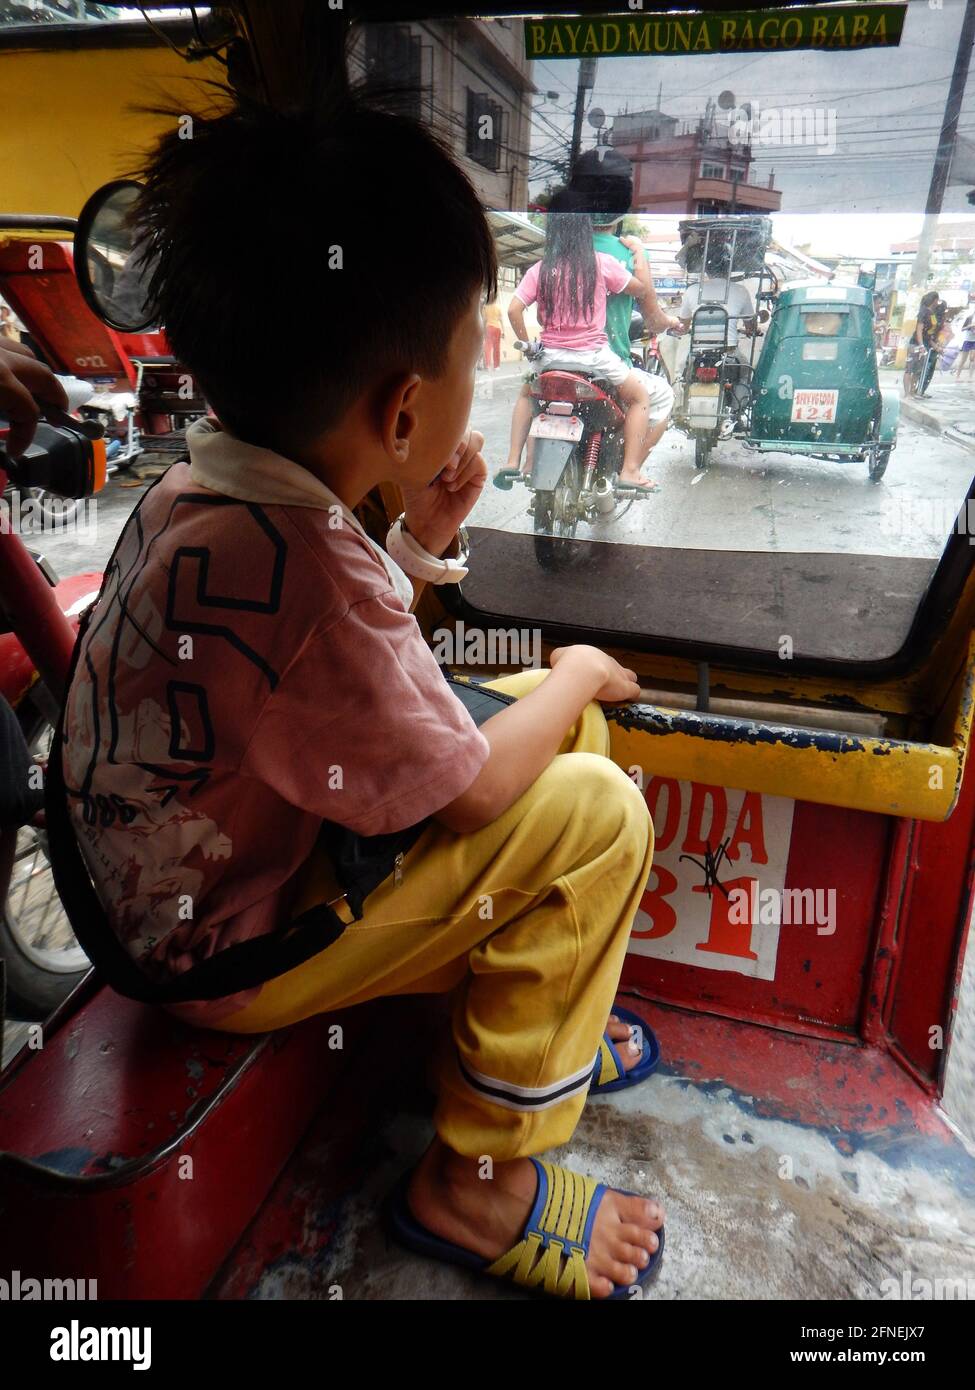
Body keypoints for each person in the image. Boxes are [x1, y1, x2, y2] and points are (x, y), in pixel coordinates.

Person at [56, 93, 664, 1301]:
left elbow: (310, 662)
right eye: (465, 354)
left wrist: (422, 540)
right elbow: (477, 779)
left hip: (153, 896)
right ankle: (477, 1184)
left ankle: (546, 1031)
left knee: (567, 736)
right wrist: (579, 665)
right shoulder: (322, 572)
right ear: (402, 412)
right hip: (228, 953)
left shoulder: (202, 492)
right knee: (596, 806)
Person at [503, 190, 679, 488]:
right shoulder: (601, 262)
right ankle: (629, 471)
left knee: (526, 395)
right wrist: (638, 253)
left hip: (549, 357)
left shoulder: (541, 267)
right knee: (640, 398)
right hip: (594, 357)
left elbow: (514, 309)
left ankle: (512, 461)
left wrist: (531, 347)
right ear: (586, 229)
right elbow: (640, 290)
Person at [591, 211, 675, 478]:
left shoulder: (561, 249)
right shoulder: (627, 254)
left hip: (555, 356)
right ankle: (630, 468)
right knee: (661, 397)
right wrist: (669, 321)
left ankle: (520, 462)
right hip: (609, 360)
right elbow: (652, 315)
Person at [905, 290, 945, 397]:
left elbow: (928, 335)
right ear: (934, 300)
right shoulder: (923, 311)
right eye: (937, 300)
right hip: (916, 344)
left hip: (925, 345)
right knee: (909, 369)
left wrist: (936, 347)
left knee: (918, 371)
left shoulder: (932, 314)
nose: (938, 303)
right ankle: (906, 393)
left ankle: (912, 391)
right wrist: (921, 345)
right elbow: (919, 330)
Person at [953, 305, 975, 381]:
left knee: (972, 358)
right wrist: (969, 326)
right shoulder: (969, 318)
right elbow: (962, 329)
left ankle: (970, 377)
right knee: (963, 360)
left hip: (974, 341)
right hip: (967, 340)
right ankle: (957, 376)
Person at [481, 296, 503, 370]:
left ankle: (487, 365)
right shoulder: (498, 307)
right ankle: (497, 366)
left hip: (489, 327)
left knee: (488, 347)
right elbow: (501, 320)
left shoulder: (485, 307)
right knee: (497, 348)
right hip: (497, 328)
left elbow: (484, 319)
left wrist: (483, 330)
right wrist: (503, 331)